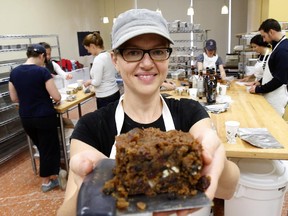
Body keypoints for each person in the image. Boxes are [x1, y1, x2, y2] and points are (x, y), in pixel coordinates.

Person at [57, 9, 239, 216]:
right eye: (133, 52)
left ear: (167, 57)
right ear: (114, 60)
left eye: (158, 51)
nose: (146, 63)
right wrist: (92, 184)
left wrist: (217, 159)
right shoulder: (91, 127)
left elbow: (228, 189)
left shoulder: (190, 113)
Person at [9, 44, 67, 192]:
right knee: (49, 147)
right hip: (44, 116)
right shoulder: (42, 71)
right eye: (45, 58)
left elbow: (14, 98)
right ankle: (47, 182)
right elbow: (56, 96)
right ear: (41, 56)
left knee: (41, 147)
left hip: (26, 117)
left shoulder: (14, 72)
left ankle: (53, 174)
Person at [249, 18, 288, 116]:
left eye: (264, 36)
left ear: (271, 32)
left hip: (276, 98)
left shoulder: (283, 50)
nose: (263, 40)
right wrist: (260, 82)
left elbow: (279, 79)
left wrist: (259, 89)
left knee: (274, 127)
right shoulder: (278, 47)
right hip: (270, 95)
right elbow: (272, 71)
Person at [82, 32, 120, 109]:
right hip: (114, 92)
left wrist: (89, 82)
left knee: (105, 120)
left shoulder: (98, 59)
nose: (88, 52)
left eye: (88, 49)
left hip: (105, 96)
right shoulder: (108, 55)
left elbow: (97, 82)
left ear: (92, 46)